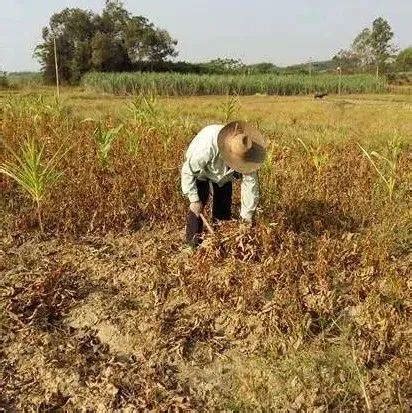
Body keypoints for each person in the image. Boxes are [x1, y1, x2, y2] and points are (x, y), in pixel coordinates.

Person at [181, 120, 268, 247]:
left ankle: (220, 242)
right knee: (198, 205)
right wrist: (194, 199)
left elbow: (250, 186)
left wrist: (246, 219)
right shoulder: (207, 146)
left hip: (224, 177)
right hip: (202, 172)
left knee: (223, 207)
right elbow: (188, 171)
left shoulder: (248, 152)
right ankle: (192, 246)